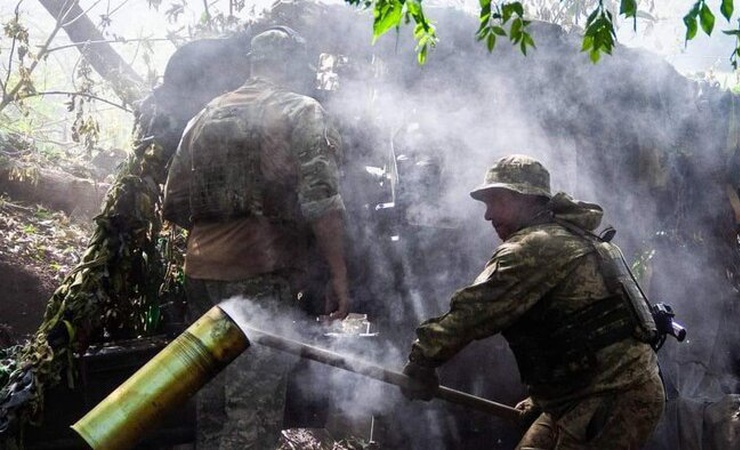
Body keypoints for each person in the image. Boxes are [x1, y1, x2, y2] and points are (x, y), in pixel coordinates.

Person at [162, 26, 350, 449]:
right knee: (253, 409)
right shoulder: (300, 110)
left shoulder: (205, 115)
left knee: (212, 403)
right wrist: (339, 276)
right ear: (295, 65)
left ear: (253, 62)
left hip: (202, 273)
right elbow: (322, 200)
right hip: (262, 274)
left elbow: (173, 202)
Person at [401, 154, 665, 449]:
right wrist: (544, 398)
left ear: (526, 199)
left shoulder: (533, 247)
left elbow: (473, 312)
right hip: (577, 394)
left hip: (614, 393)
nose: (487, 215)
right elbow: (574, 330)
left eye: (496, 201)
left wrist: (421, 361)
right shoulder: (568, 236)